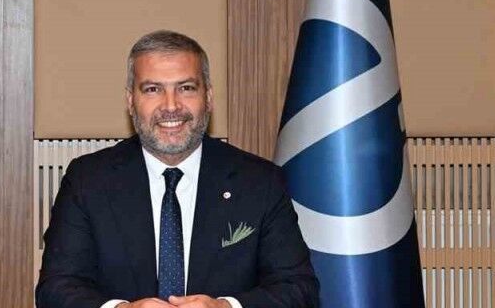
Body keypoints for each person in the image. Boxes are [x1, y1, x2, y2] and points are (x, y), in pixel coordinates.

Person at [36, 31, 319, 308]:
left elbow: (298, 289)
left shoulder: (259, 182)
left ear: (208, 97)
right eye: (153, 89)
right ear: (130, 101)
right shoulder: (88, 181)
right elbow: (56, 288)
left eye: (186, 88)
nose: (171, 106)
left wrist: (226, 307)